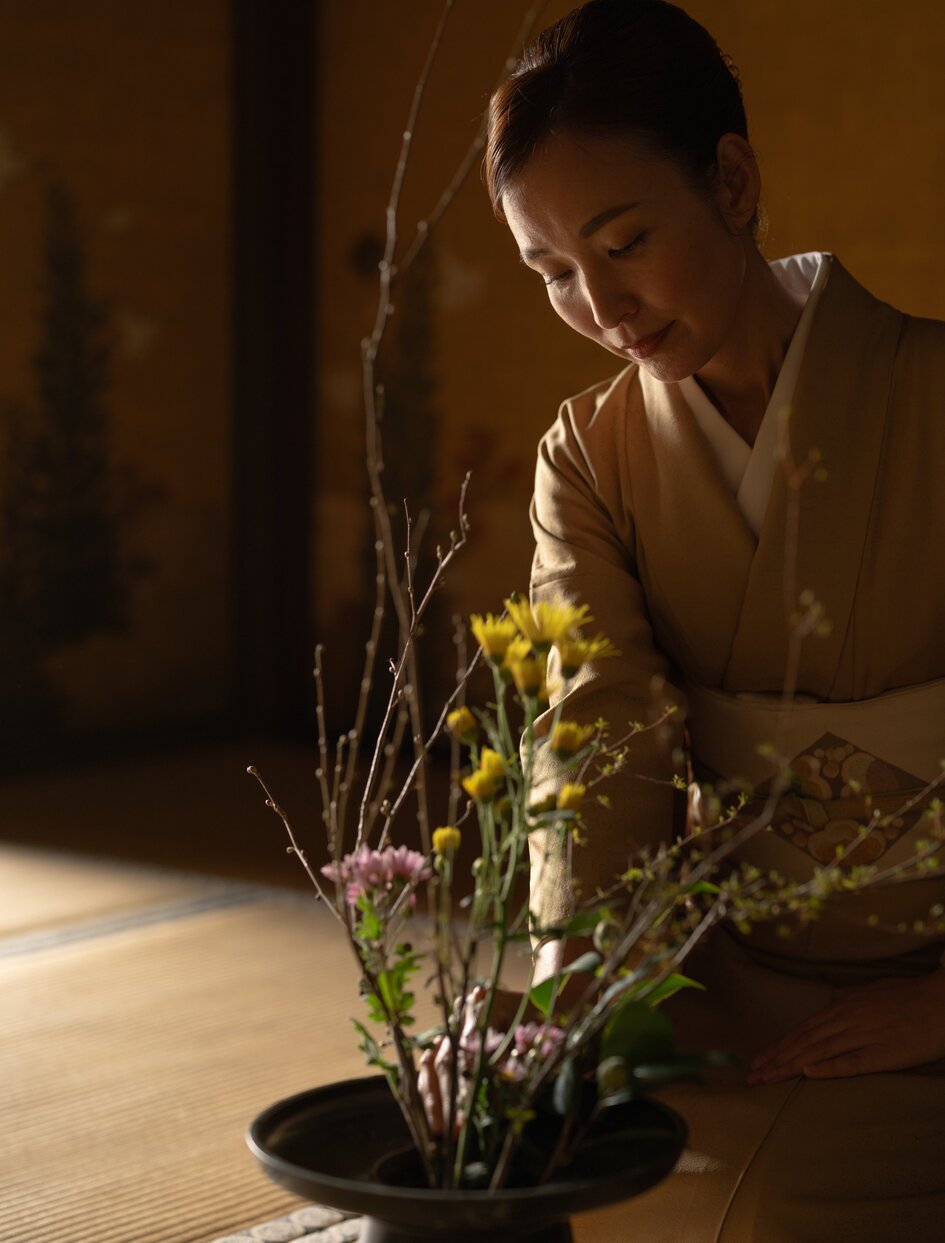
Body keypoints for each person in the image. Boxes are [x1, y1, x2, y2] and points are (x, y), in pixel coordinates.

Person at [482, 1, 945, 1239]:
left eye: (623, 242)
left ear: (732, 181)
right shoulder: (590, 456)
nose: (599, 303)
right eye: (553, 274)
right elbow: (599, 727)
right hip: (735, 980)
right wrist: (579, 983)